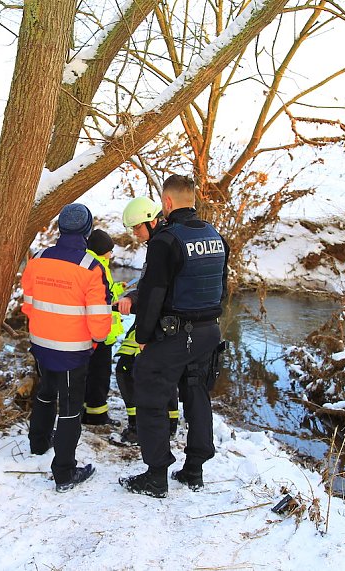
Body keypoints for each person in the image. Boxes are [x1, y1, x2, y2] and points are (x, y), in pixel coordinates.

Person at [119, 175, 229, 498]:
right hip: (209, 332)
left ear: (166, 203)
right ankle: (194, 469)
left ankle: (156, 476)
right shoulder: (215, 237)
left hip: (175, 333)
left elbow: (154, 294)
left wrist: (143, 337)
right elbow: (220, 289)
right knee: (196, 395)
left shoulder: (165, 241)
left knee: (149, 391)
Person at [22, 203, 112, 492]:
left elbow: (28, 303)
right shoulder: (91, 267)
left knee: (46, 394)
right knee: (71, 408)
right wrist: (97, 341)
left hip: (41, 342)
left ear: (60, 228)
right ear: (87, 231)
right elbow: (99, 319)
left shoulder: (38, 258)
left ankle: (38, 443)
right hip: (73, 349)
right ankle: (64, 472)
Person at [114, 197, 180, 444]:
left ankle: (139, 426)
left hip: (159, 323)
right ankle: (168, 422)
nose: (135, 233)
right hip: (156, 320)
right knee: (154, 373)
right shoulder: (161, 242)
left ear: (152, 221)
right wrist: (132, 297)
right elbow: (148, 286)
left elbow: (158, 291)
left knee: (126, 369)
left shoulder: (163, 245)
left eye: (137, 227)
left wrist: (144, 334)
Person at [82, 229, 125, 427]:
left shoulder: (86, 263)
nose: (111, 254)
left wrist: (117, 289)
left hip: (87, 334)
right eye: (109, 250)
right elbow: (104, 301)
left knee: (87, 374)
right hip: (102, 335)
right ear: (102, 250)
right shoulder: (99, 267)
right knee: (100, 376)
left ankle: (84, 411)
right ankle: (97, 415)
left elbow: (103, 293)